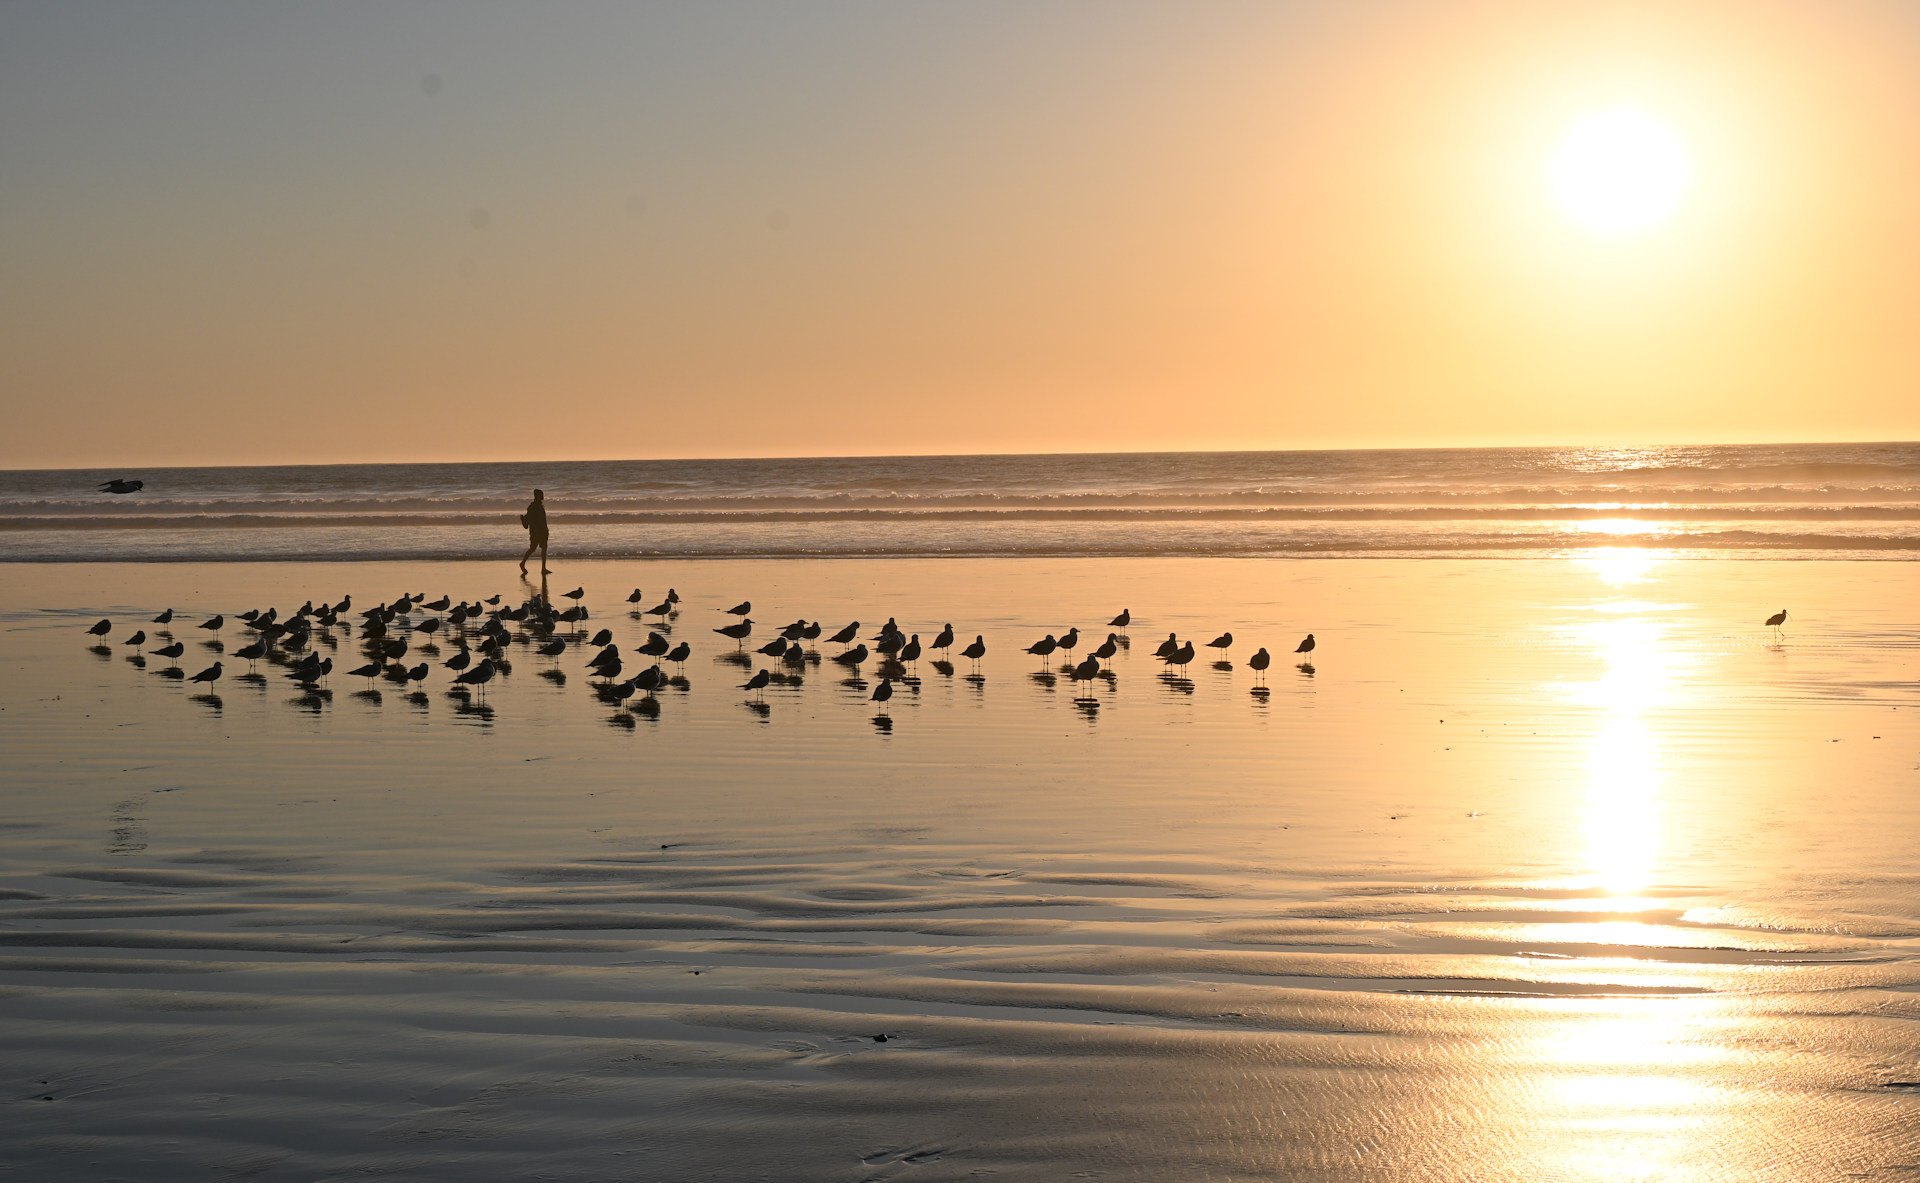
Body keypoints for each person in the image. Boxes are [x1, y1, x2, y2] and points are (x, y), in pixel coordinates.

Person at [519, 489, 550, 574]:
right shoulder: (532, 507)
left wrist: (546, 529)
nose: (543, 496)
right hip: (536, 531)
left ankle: (543, 568)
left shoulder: (541, 506)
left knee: (544, 548)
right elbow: (531, 520)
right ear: (537, 496)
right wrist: (536, 529)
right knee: (532, 549)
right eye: (541, 495)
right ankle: (522, 563)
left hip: (543, 530)